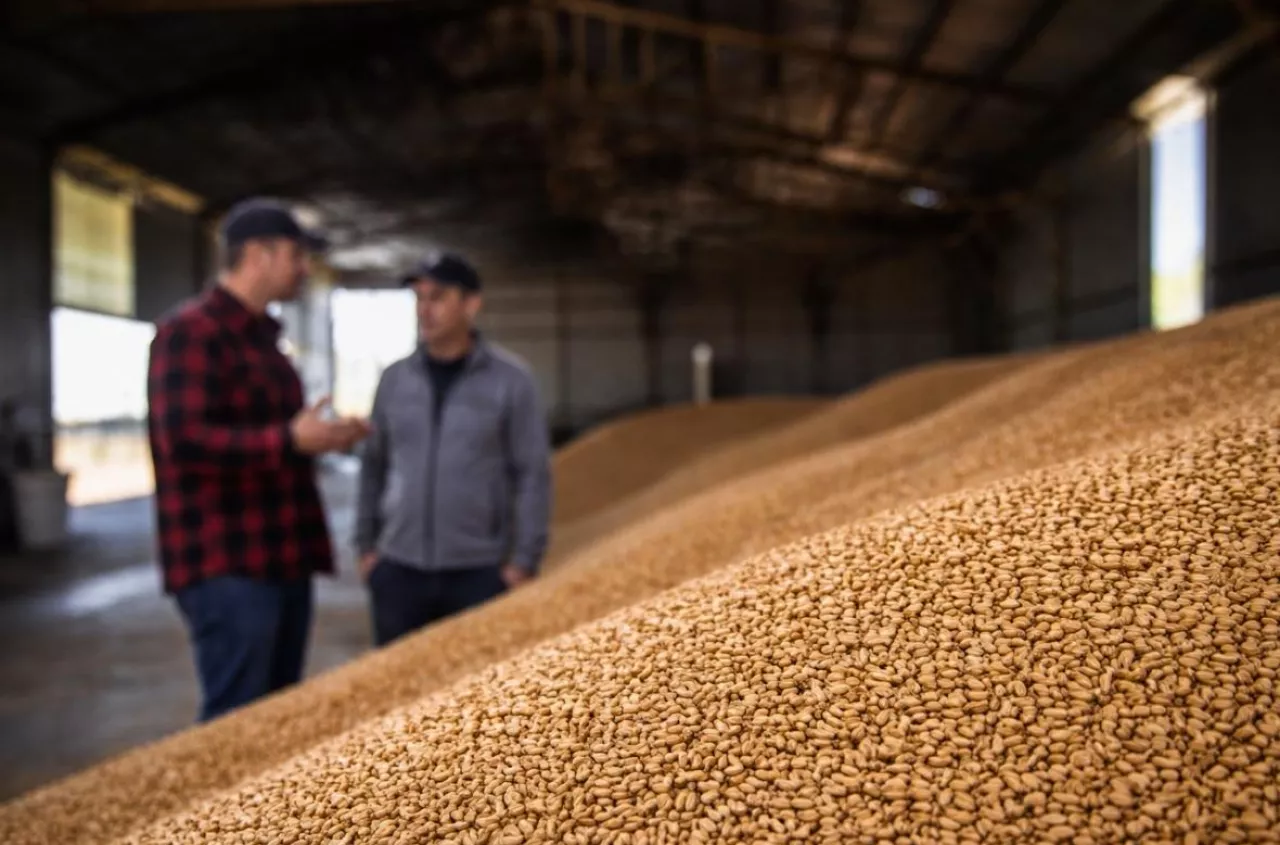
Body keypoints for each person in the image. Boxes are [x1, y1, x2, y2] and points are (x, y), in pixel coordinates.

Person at [147, 198, 370, 722]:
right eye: (296, 255)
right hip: (228, 562)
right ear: (258, 255)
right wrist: (289, 440)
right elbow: (184, 439)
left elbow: (278, 434)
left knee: (274, 721)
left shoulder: (267, 340)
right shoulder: (190, 333)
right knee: (237, 722)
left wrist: (324, 437)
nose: (303, 268)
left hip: (281, 553)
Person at [354, 252, 552, 646]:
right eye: (419, 298)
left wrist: (523, 563)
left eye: (438, 297)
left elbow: (532, 473)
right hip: (398, 570)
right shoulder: (394, 380)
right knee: (395, 691)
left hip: (478, 573)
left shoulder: (510, 381)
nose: (425, 310)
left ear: (471, 304)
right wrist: (367, 551)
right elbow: (373, 466)